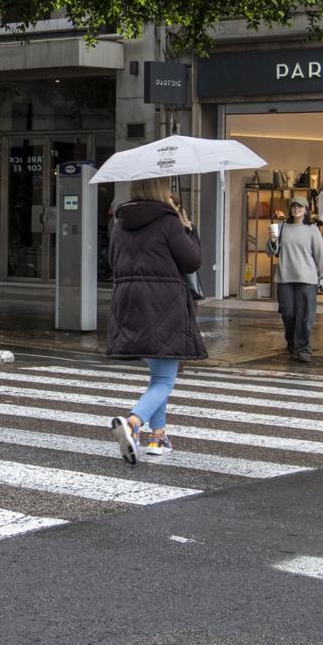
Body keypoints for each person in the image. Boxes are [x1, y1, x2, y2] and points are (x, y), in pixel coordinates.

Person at [107, 177, 207, 463]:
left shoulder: (120, 223)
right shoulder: (168, 222)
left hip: (129, 304)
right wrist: (189, 230)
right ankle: (133, 423)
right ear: (159, 190)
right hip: (163, 304)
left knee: (158, 374)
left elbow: (112, 263)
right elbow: (192, 262)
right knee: (164, 379)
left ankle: (158, 437)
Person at [267, 197, 323, 363]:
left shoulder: (312, 230)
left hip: (307, 278)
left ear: (306, 209)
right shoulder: (282, 227)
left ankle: (303, 348)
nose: (296, 209)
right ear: (290, 209)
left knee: (304, 315)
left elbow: (320, 256)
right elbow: (271, 251)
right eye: (294, 206)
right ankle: (292, 343)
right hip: (285, 277)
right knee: (288, 313)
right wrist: (273, 241)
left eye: (300, 206)